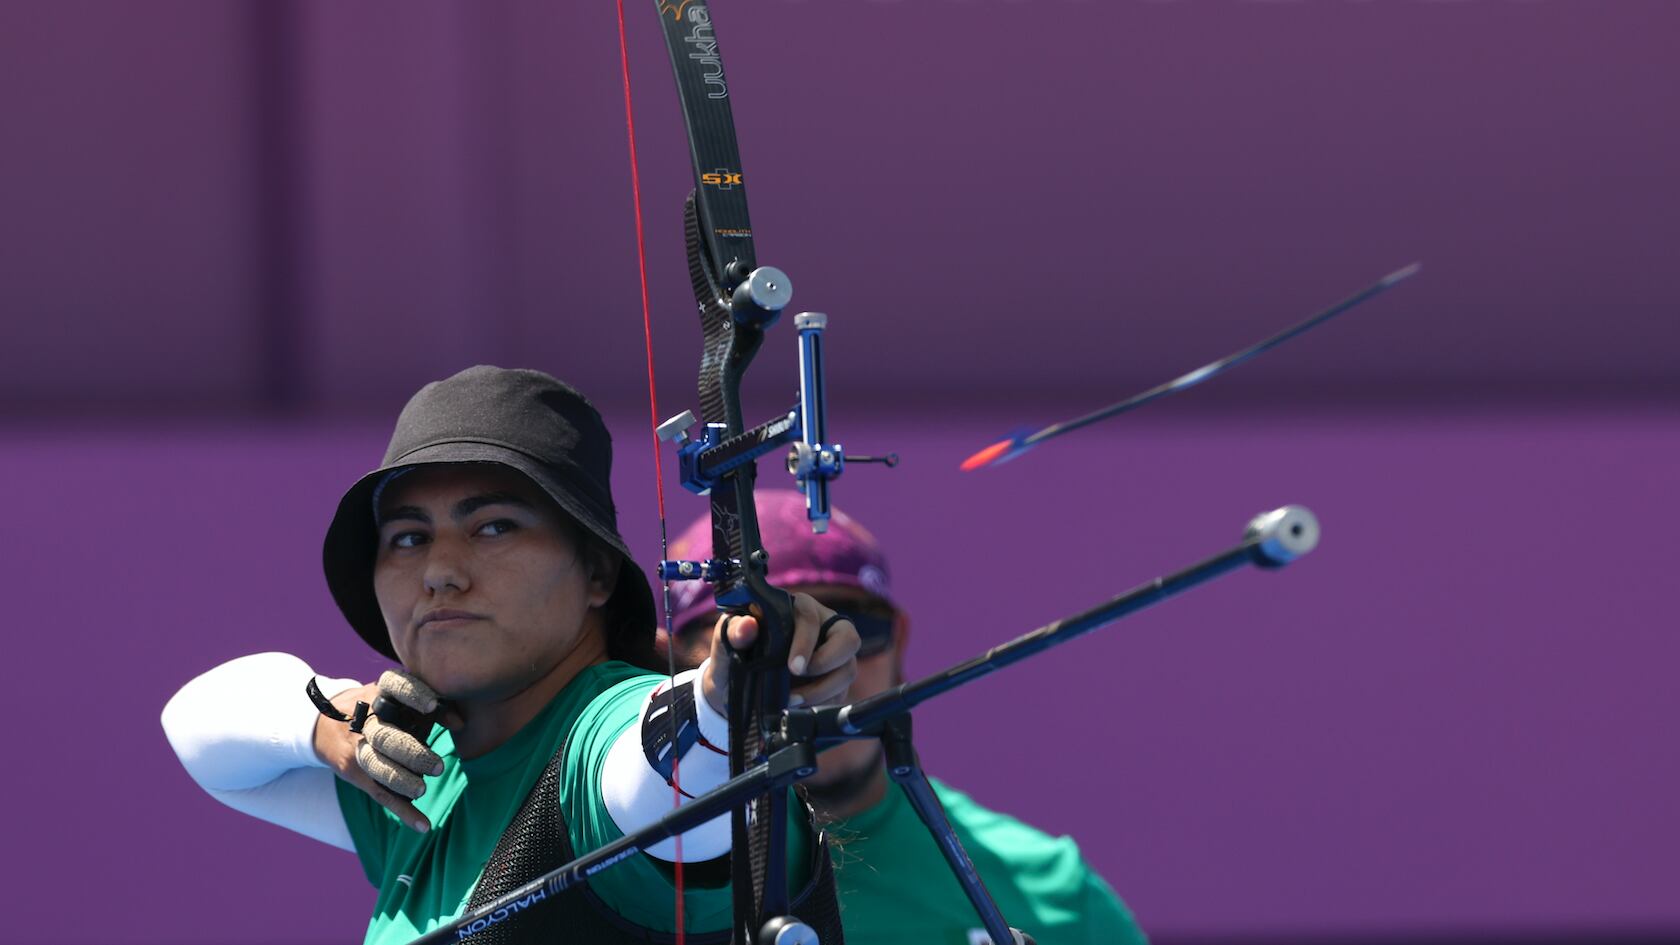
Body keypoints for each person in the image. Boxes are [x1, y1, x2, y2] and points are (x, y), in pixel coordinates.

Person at [161, 366, 859, 944]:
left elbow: (654, 770)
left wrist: (727, 692)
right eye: (408, 537)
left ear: (597, 573)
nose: (440, 570)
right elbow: (194, 729)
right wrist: (329, 725)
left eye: (493, 526)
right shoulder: (419, 776)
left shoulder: (594, 733)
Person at [661, 492, 1150, 945]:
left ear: (899, 640)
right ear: (682, 661)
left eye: (852, 626)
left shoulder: (1053, 893)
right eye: (770, 638)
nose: (819, 668)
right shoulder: (622, 874)